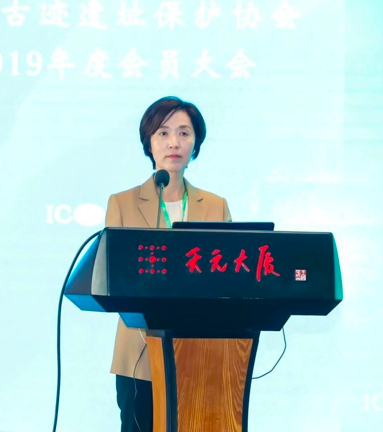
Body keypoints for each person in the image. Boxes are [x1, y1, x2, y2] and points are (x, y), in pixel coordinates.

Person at [105, 96, 231, 432]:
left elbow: (229, 280)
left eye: (184, 133)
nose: (174, 142)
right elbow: (116, 277)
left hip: (201, 353)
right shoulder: (122, 204)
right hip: (139, 357)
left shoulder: (216, 206)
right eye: (163, 133)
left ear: (196, 143)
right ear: (148, 142)